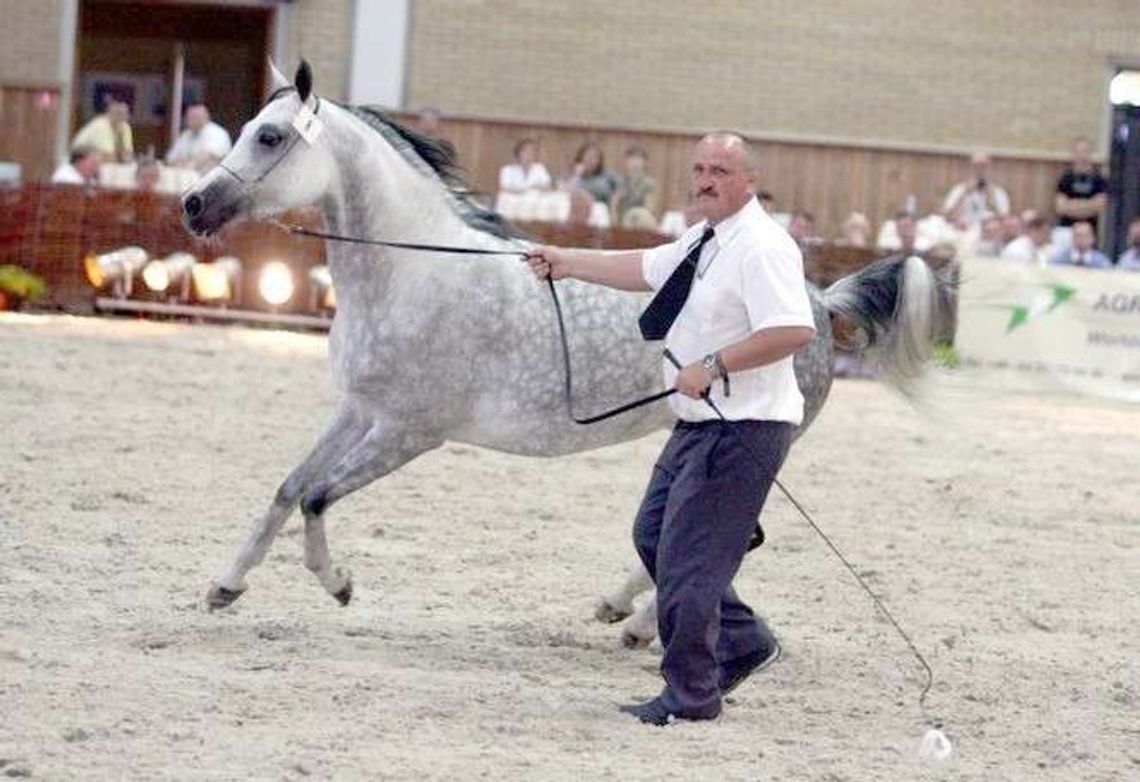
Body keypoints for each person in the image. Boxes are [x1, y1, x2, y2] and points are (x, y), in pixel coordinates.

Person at [524, 132, 816, 725]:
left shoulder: (762, 246)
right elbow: (646, 268)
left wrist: (712, 365)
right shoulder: (706, 238)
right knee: (654, 535)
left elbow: (793, 330)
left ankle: (692, 695)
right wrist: (568, 260)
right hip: (697, 423)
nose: (705, 179)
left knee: (687, 561)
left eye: (721, 171)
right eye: (700, 168)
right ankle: (744, 640)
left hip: (743, 427)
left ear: (749, 181)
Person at [941, 151, 1010, 229]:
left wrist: (990, 196)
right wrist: (965, 193)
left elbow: (1004, 219)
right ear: (970, 167)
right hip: (961, 230)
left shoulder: (998, 192)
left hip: (987, 231)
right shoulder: (959, 190)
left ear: (989, 168)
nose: (979, 169)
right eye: (976, 165)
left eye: (983, 166)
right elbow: (946, 214)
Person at [1055, 138, 1108, 237]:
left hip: (1090, 232)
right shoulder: (1065, 178)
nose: (1082, 155)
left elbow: (1100, 206)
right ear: (1074, 154)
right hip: (1066, 231)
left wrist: (1072, 205)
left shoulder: (1099, 179)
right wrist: (1088, 205)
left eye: (1085, 151)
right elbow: (1060, 207)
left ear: (1090, 154)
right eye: (1079, 151)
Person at [166, 103, 232, 173]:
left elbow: (208, 157)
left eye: (196, 117)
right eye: (189, 117)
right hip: (187, 176)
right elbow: (170, 159)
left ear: (206, 117)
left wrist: (186, 166)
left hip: (211, 179)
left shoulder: (217, 132)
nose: (191, 120)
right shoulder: (186, 135)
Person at [612, 145, 661, 229]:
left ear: (645, 163)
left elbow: (649, 210)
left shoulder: (649, 184)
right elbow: (614, 205)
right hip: (621, 224)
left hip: (640, 224)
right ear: (626, 162)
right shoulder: (621, 182)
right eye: (631, 159)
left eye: (638, 159)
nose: (634, 162)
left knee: (638, 214)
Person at [71, 99, 134, 163]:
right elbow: (108, 155)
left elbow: (128, 153)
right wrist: (122, 159)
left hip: (99, 163)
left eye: (125, 114)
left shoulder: (125, 126)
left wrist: (126, 157)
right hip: (79, 161)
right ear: (109, 113)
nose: (123, 117)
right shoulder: (100, 125)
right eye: (119, 113)